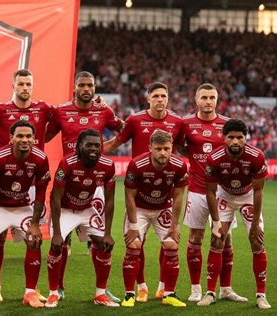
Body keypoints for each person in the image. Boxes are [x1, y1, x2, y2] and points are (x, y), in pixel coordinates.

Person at [45, 71, 123, 302]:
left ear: (95, 88)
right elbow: (45, 136)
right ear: (75, 88)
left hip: (94, 183)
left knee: (99, 241)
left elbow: (125, 129)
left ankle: (101, 291)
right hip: (67, 179)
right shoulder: (61, 111)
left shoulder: (104, 111)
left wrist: (106, 147)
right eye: (82, 85)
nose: (86, 88)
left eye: (90, 84)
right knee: (62, 240)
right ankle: (57, 288)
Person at [103, 82, 183, 302]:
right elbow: (114, 143)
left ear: (168, 98)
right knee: (137, 243)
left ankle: (162, 287)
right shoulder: (135, 120)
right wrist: (87, 152)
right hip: (138, 191)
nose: (159, 99)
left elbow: (186, 149)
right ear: (148, 98)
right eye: (155, 95)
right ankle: (141, 287)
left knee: (168, 243)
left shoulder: (178, 122)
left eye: (163, 96)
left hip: (164, 194)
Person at [0, 69, 52, 302]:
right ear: (13, 85)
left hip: (32, 177)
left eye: (28, 84)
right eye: (21, 84)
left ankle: (31, 289)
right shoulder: (1, 110)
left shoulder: (43, 108)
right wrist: (1, 146)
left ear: (32, 86)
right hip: (5, 176)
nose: (25, 88)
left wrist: (41, 143)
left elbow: (61, 120)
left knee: (34, 236)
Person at [0, 120, 51, 309]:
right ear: (11, 139)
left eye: (28, 136)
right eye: (20, 136)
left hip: (21, 207)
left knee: (34, 239)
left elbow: (41, 191)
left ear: (34, 139)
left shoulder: (40, 158)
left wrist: (35, 223)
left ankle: (30, 292)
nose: (24, 140)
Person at [181, 83, 246, 302]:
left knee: (225, 239)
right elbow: (178, 145)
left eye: (212, 97)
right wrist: (192, 155)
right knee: (195, 237)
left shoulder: (227, 125)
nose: (208, 101)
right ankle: (196, 289)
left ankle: (226, 289)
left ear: (217, 99)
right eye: (204, 97)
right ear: (196, 99)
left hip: (223, 192)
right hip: (198, 189)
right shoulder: (186, 123)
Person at [198, 119, 271, 309]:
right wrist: (215, 222)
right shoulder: (214, 158)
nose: (236, 141)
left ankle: (261, 295)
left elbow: (258, 191)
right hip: (225, 196)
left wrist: (255, 224)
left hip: (247, 196)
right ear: (224, 138)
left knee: (257, 241)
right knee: (217, 239)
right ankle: (211, 293)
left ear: (245, 138)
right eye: (231, 137)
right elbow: (210, 192)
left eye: (240, 137)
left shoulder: (256, 156)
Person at [45, 129, 118, 308]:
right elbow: (55, 197)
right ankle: (53, 293)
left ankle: (100, 294)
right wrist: (56, 232)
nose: (94, 148)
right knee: (56, 245)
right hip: (65, 209)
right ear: (79, 147)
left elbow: (109, 201)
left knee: (104, 244)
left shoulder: (108, 165)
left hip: (86, 209)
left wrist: (108, 232)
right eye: (89, 145)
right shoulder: (67, 163)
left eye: (97, 145)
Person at [121, 129, 188, 308]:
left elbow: (179, 195)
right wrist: (133, 225)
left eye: (166, 148)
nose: (163, 153)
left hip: (162, 208)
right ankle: (129, 294)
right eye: (158, 149)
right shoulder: (137, 164)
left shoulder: (179, 166)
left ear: (171, 148)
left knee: (172, 244)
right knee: (133, 245)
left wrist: (175, 225)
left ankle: (169, 294)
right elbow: (129, 195)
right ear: (150, 147)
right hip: (139, 209)